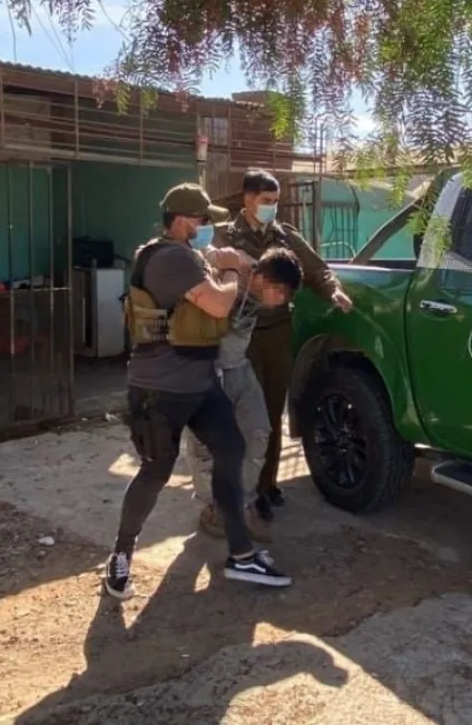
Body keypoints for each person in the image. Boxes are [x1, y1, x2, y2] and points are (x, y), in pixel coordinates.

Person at [104, 182, 291, 600]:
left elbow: (214, 269)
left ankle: (241, 554)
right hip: (160, 389)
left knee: (231, 450)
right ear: (179, 221)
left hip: (200, 383)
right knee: (156, 471)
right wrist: (230, 269)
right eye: (201, 220)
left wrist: (230, 260)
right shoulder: (170, 258)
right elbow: (219, 305)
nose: (208, 226)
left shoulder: (187, 255)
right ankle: (121, 555)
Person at [214, 169, 352, 518]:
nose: (272, 208)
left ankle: (266, 485)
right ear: (248, 199)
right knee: (241, 414)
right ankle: (235, 488)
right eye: (266, 201)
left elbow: (317, 269)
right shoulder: (224, 236)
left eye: (275, 202)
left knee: (272, 411)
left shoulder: (285, 236)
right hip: (239, 336)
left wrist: (333, 291)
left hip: (276, 334)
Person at [185, 246, 303, 538]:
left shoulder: (257, 276)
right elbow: (209, 256)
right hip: (206, 368)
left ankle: (242, 504)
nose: (282, 299)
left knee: (258, 431)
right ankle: (212, 508)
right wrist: (222, 261)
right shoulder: (232, 272)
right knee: (205, 444)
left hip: (238, 366)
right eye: (280, 291)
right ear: (262, 280)